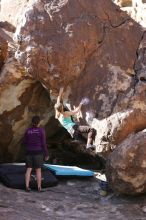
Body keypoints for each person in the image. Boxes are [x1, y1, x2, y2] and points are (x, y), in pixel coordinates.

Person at [23, 116, 49, 192]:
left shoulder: (28, 130)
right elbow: (44, 143)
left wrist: (30, 143)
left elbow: (24, 141)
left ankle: (27, 187)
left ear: (32, 122)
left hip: (29, 152)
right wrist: (46, 154)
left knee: (28, 169)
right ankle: (39, 188)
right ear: (39, 122)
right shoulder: (41, 130)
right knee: (38, 170)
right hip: (38, 152)